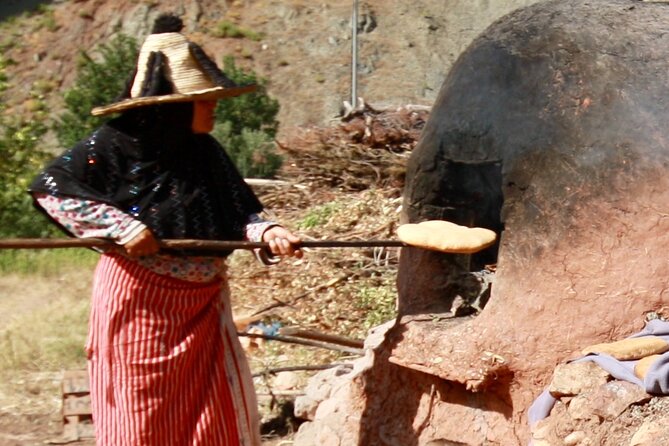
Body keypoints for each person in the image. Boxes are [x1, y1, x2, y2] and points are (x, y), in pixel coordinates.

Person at [29, 13, 301, 446]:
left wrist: (267, 232)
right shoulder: (112, 144)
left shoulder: (206, 152)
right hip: (141, 306)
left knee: (219, 418)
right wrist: (118, 226)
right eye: (204, 99)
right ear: (172, 106)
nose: (213, 106)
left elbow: (238, 212)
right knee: (142, 417)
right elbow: (51, 189)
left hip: (205, 308)